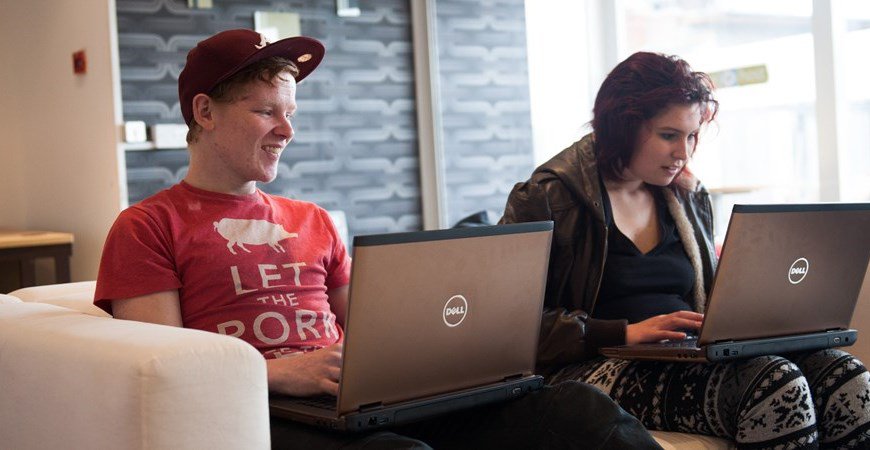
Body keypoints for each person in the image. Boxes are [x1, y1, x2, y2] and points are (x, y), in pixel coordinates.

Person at [94, 29, 663, 449]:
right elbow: (160, 369)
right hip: (264, 413)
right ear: (205, 112)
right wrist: (275, 372)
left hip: (353, 403)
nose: (288, 130)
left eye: (290, 112)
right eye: (266, 111)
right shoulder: (147, 226)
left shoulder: (313, 219)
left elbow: (374, 331)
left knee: (580, 411)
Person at [500, 51, 870, 449]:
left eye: (692, 135)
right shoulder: (547, 196)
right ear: (623, 128)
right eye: (669, 135)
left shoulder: (688, 196)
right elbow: (507, 325)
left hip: (682, 355)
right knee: (772, 384)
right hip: (588, 367)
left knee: (847, 378)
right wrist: (622, 331)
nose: (685, 152)